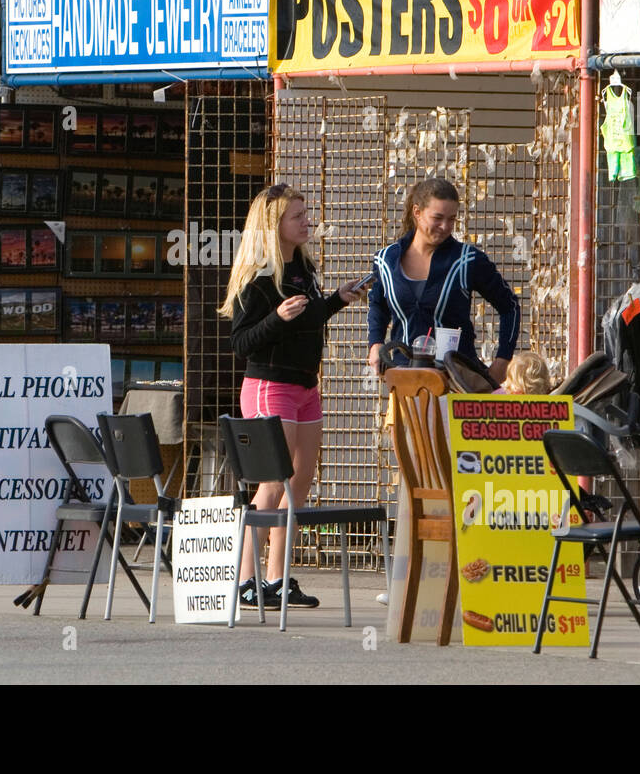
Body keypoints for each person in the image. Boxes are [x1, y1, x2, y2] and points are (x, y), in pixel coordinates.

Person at [220, 184, 365, 609]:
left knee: (299, 484)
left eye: (306, 213)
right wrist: (277, 320)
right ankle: (245, 579)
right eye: (297, 216)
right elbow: (242, 342)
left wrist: (336, 299)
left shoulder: (301, 265)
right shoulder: (259, 275)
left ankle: (278, 578)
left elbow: (308, 316)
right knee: (273, 481)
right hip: (270, 385)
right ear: (274, 225)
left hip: (305, 385)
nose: (307, 222)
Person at [368, 178, 520, 383]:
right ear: (417, 212)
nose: (445, 226)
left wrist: (503, 360)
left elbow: (510, 306)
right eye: (437, 218)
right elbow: (378, 305)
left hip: (456, 380)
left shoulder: (467, 260)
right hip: (404, 377)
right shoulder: (385, 260)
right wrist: (375, 344)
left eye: (451, 219)